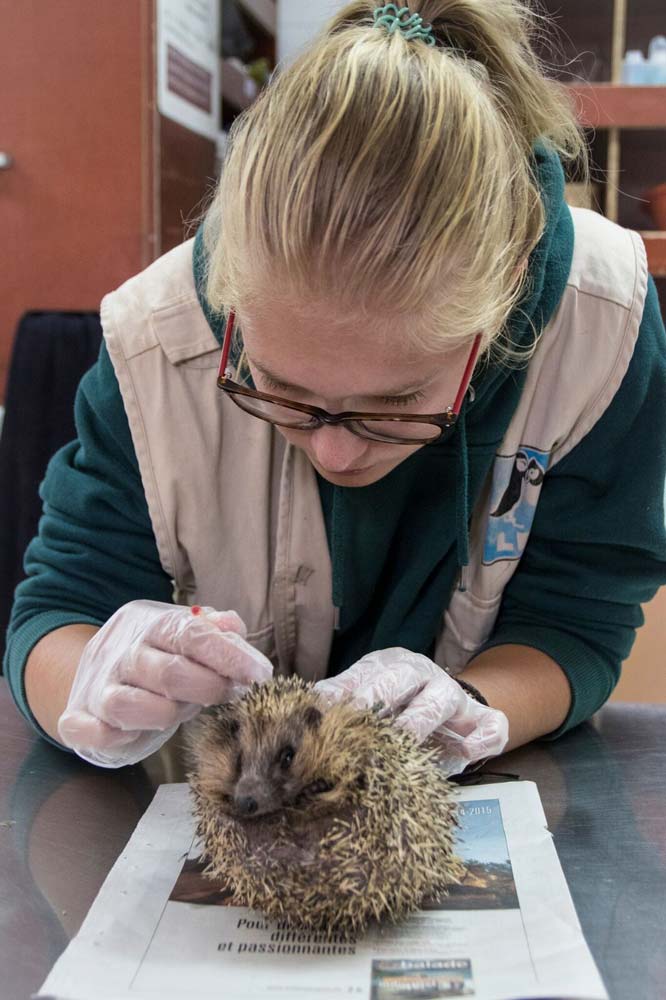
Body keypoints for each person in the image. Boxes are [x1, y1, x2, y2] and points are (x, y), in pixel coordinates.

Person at [5, 0, 666, 774]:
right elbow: (58, 612)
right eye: (281, 390)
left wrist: (474, 704)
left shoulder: (604, 322)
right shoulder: (156, 336)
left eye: (392, 404)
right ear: (230, 299)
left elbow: (575, 618)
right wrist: (93, 680)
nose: (334, 450)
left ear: (505, 304)